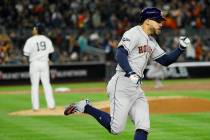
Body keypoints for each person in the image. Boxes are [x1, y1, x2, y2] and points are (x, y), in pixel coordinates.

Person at [64, 7, 191, 140]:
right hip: (122, 84)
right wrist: (130, 72)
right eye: (158, 21)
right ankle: (86, 107)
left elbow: (165, 60)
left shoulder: (151, 41)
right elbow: (120, 54)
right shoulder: (133, 33)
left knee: (143, 126)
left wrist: (180, 48)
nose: (161, 24)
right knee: (115, 129)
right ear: (147, 21)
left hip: (136, 89)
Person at [23, 23, 56, 111]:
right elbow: (51, 52)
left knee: (34, 85)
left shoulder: (30, 40)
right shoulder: (47, 40)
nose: (33, 30)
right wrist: (48, 59)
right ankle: (51, 105)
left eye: (34, 28)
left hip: (34, 63)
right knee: (47, 84)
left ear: (37, 30)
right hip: (44, 63)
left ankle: (36, 107)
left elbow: (26, 54)